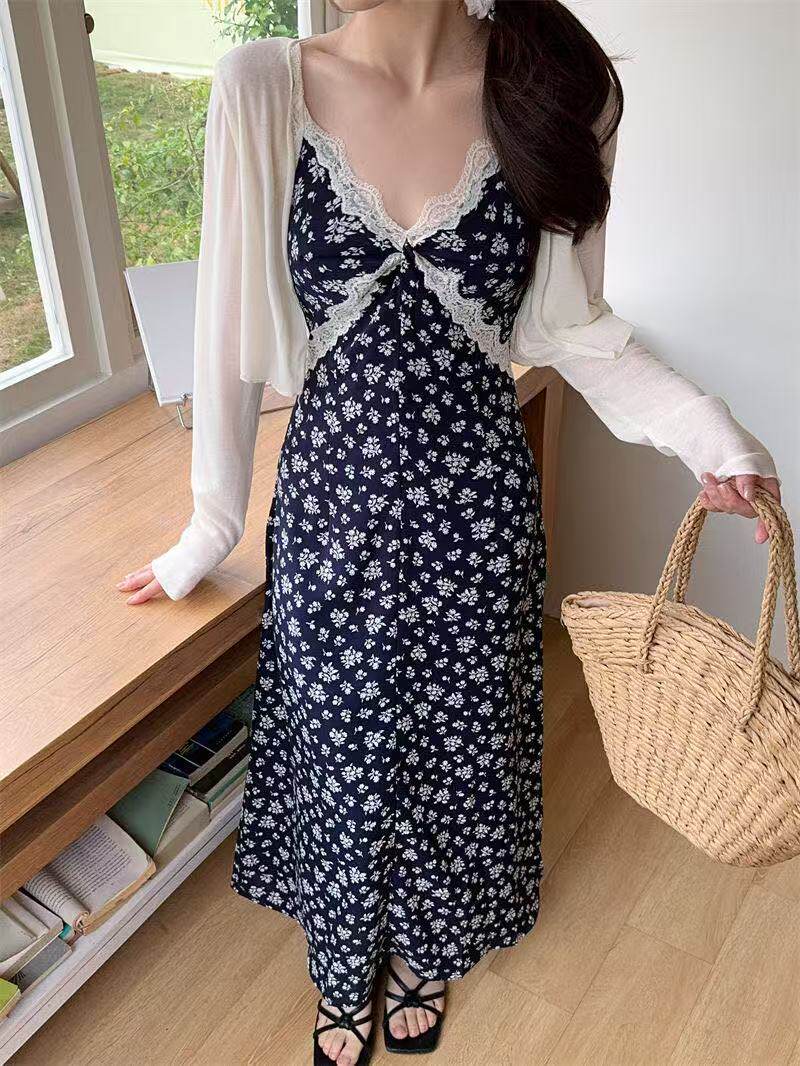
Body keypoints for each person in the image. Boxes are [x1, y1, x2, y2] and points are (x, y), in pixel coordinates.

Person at [117, 2, 781, 1063]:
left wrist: (710, 433)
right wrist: (209, 525)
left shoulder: (558, 89)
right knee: (339, 748)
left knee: (463, 747)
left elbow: (577, 332)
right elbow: (226, 328)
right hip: (330, 513)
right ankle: (343, 965)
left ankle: (427, 951)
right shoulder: (263, 86)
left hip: (478, 517)